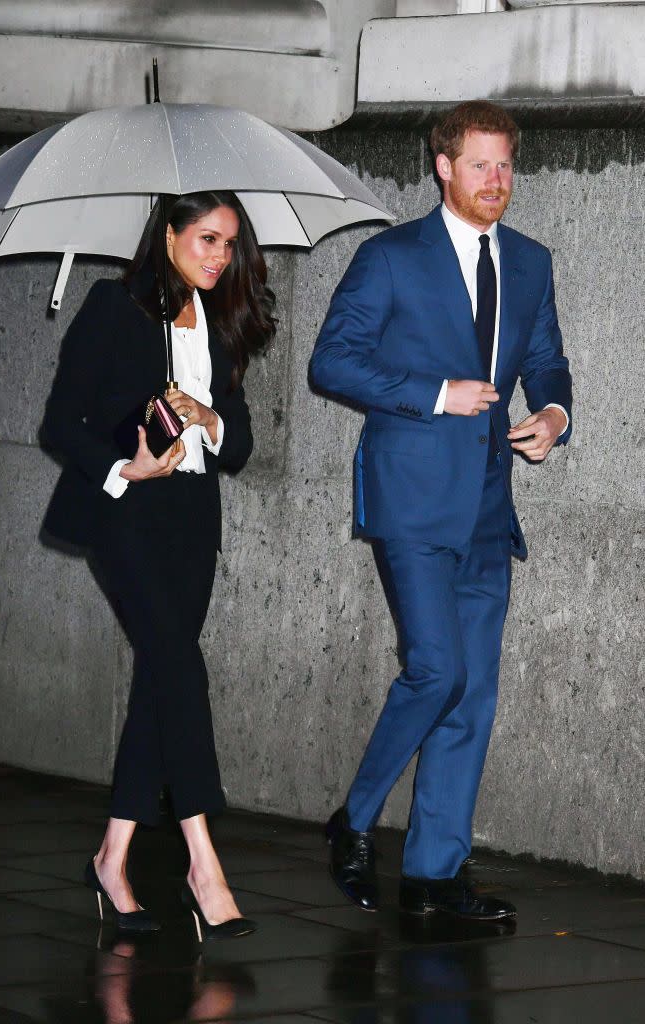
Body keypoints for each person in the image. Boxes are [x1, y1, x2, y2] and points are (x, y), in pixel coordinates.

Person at [309, 101, 572, 922]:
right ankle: (353, 819)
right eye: (481, 164)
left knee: (473, 696)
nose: (497, 181)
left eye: (506, 165)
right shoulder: (390, 258)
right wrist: (433, 394)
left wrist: (555, 418)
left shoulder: (529, 262)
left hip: (491, 507)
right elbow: (331, 362)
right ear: (444, 167)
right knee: (438, 670)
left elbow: (547, 362)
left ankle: (432, 880)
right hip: (414, 503)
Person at [42, 190, 276, 939]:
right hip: (126, 514)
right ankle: (203, 863)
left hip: (192, 521)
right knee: (180, 664)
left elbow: (237, 447)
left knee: (161, 678)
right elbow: (59, 421)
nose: (218, 256)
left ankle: (113, 857)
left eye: (229, 244)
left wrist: (210, 418)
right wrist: (123, 466)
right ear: (168, 234)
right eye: (206, 239)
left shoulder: (222, 321)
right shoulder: (115, 308)